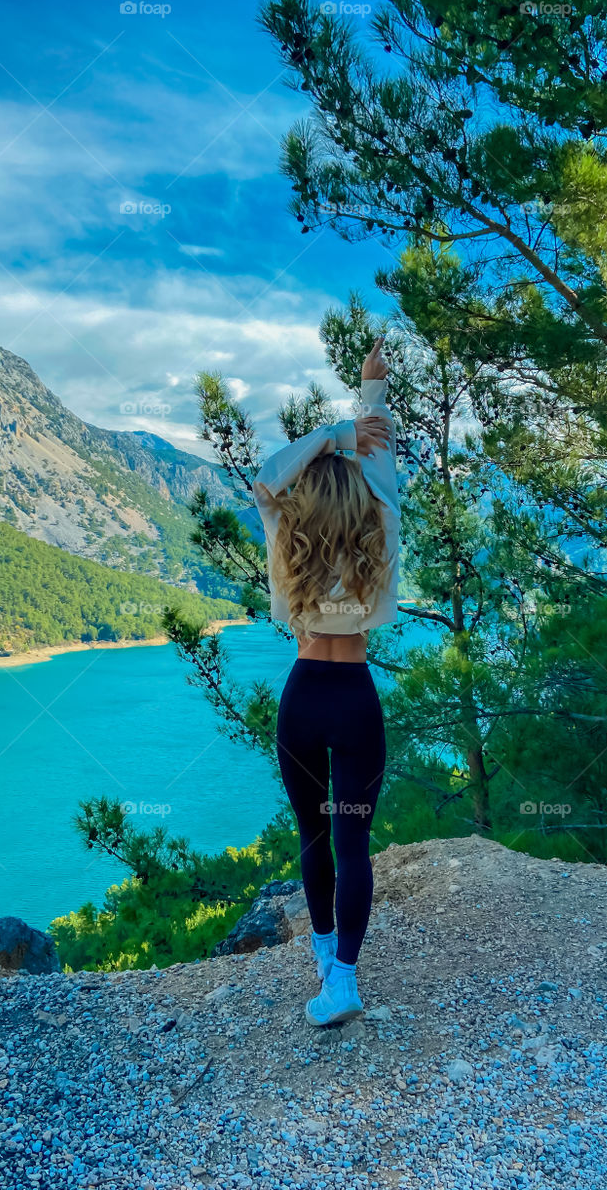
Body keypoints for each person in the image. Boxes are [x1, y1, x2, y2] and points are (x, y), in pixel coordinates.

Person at [252, 337, 400, 1026]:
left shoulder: (288, 536)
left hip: (302, 699)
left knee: (312, 837)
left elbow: (266, 475)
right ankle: (341, 977)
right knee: (351, 843)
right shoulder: (381, 523)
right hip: (354, 700)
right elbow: (382, 461)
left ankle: (321, 953)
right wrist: (369, 397)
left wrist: (333, 433)